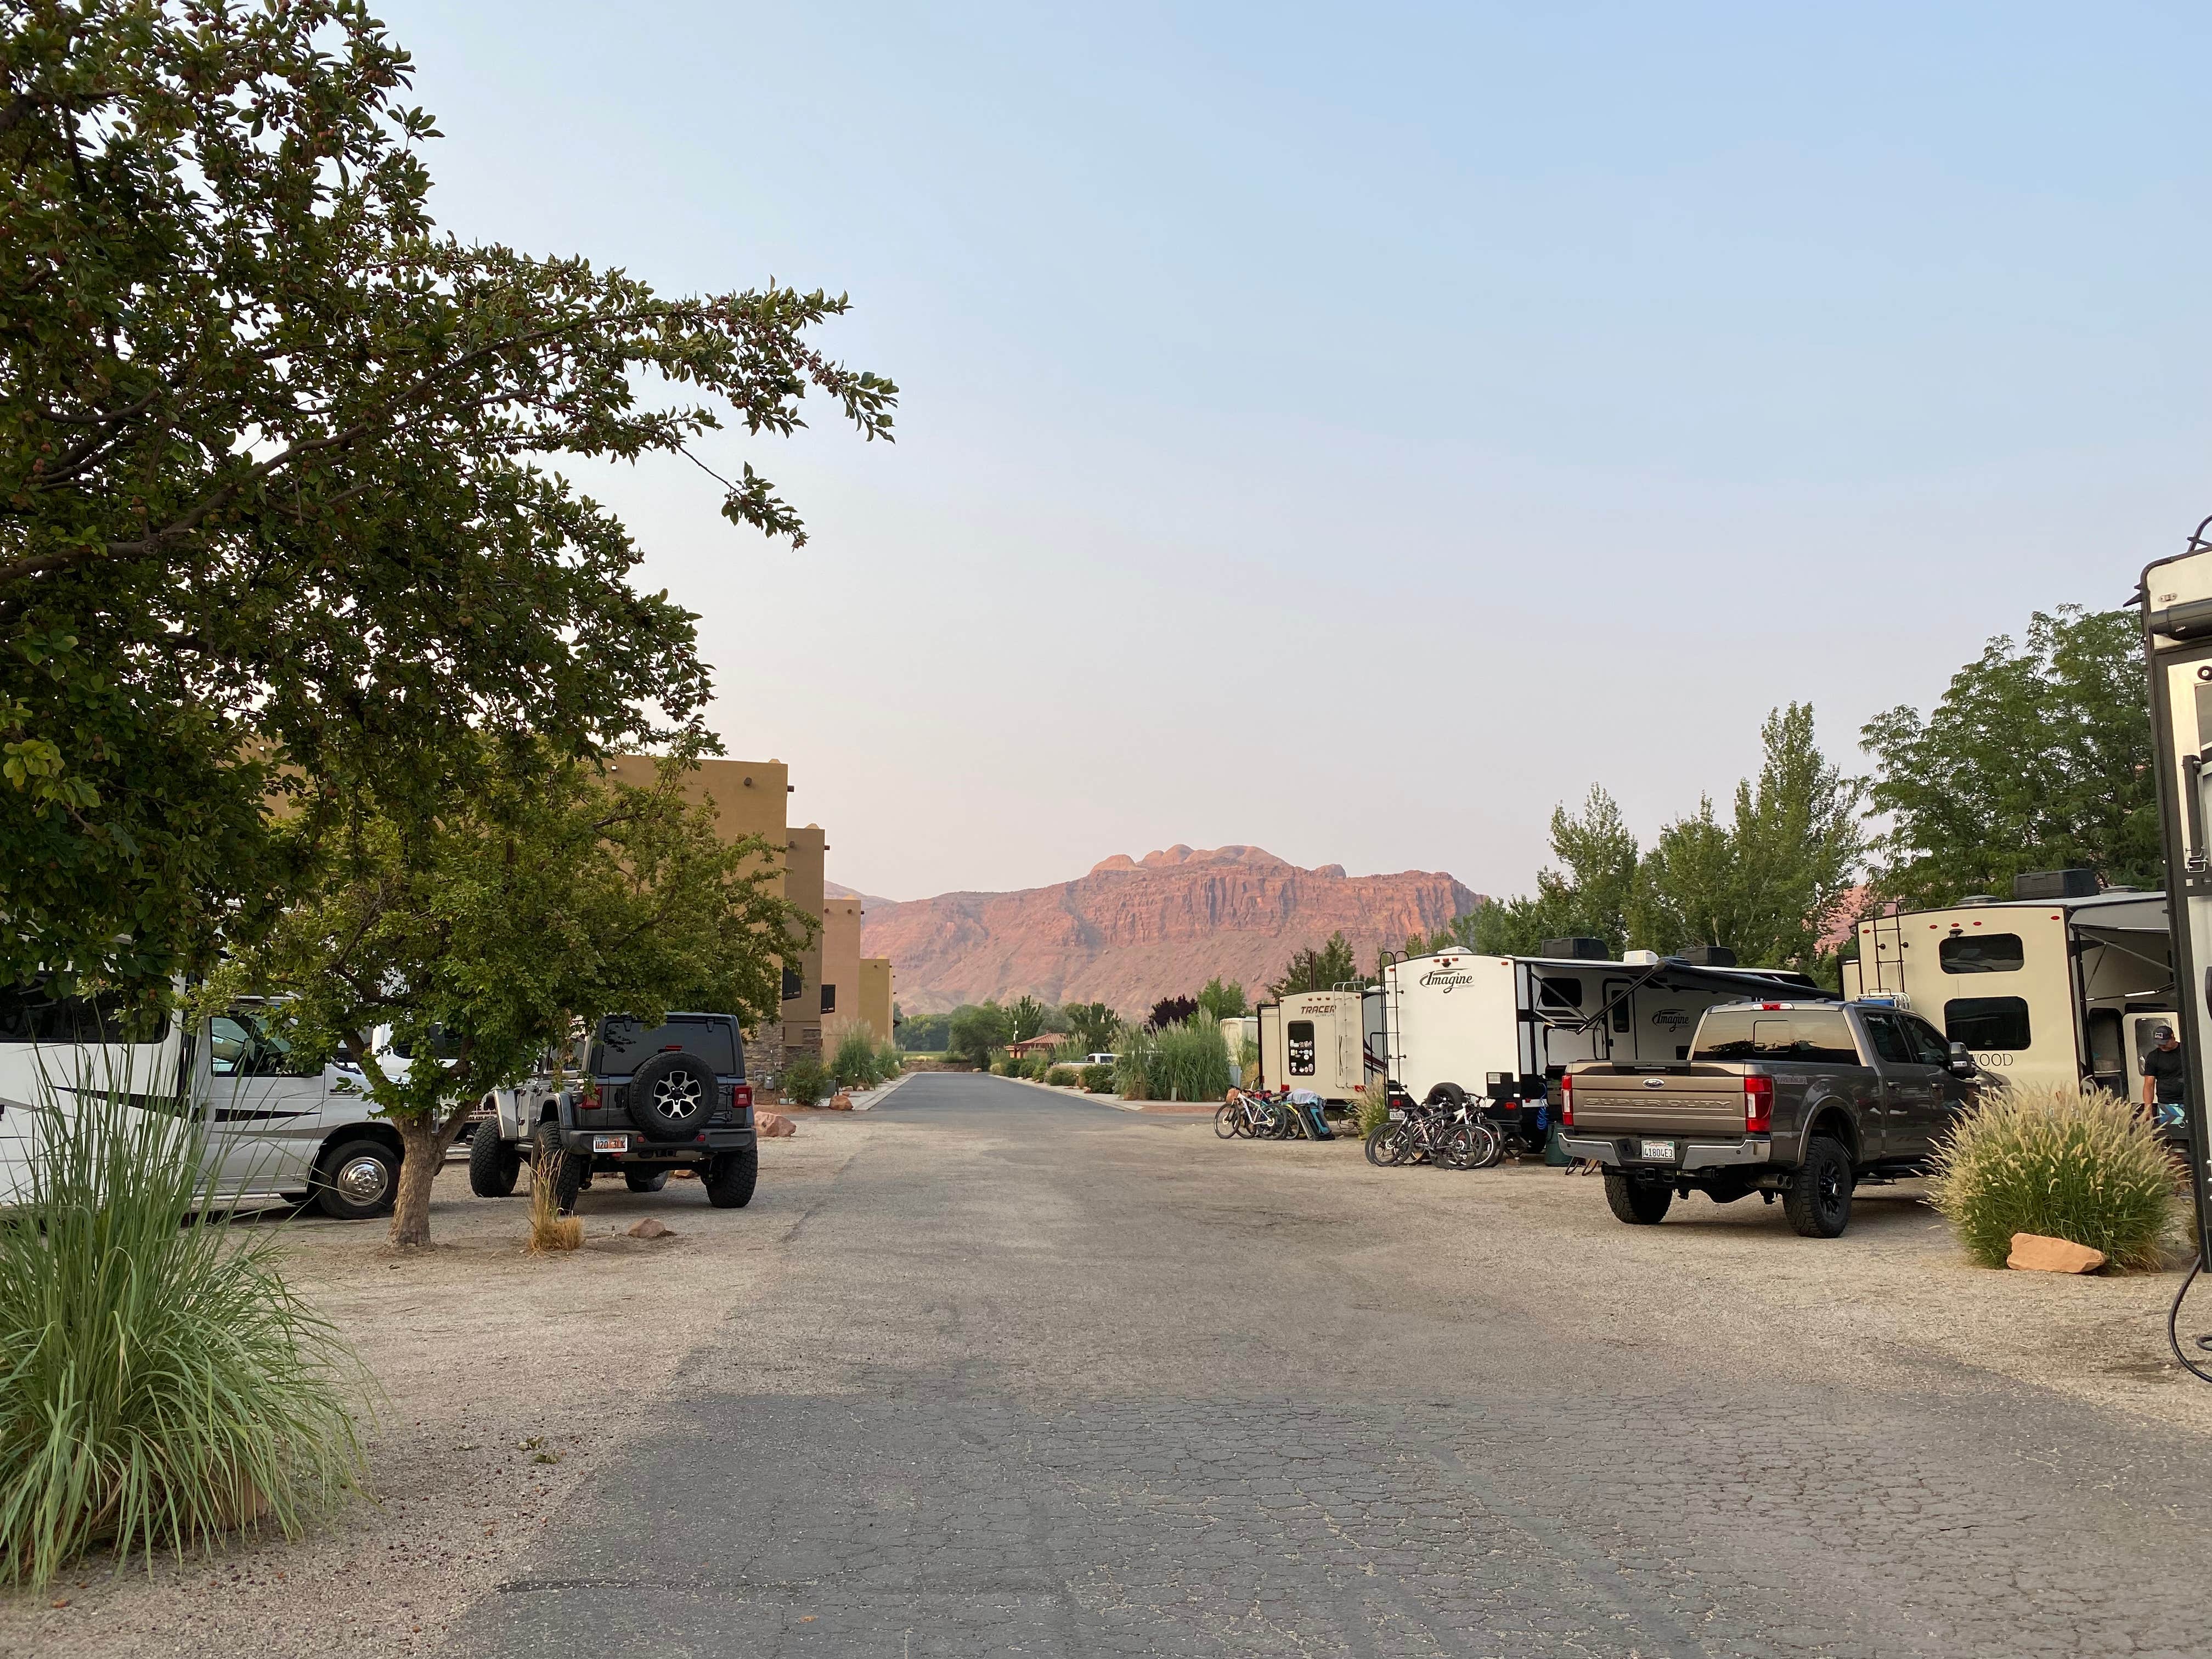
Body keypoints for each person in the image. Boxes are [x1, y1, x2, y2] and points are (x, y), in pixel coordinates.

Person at [2142, 1024, 2190, 1133]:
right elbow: (2149, 1084)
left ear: (2173, 1037)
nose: (2162, 1046)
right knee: (2173, 1136)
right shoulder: (2153, 1056)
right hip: (2168, 1103)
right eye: (2159, 1044)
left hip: (2190, 1100)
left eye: (2165, 1043)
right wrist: (2147, 1108)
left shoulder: (2186, 1051)